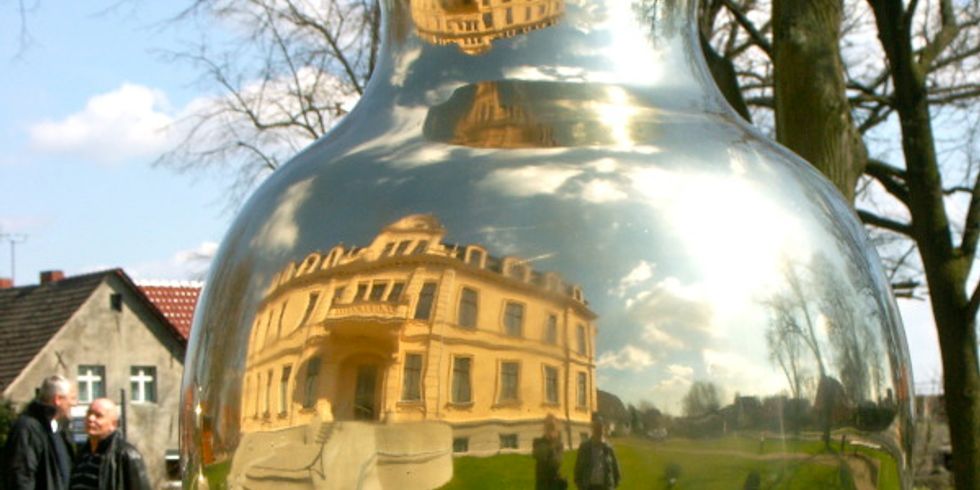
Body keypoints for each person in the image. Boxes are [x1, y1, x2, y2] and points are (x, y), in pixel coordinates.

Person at [0, 375, 77, 490]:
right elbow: (21, 475)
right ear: (58, 400)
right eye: (72, 398)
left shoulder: (59, 430)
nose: (74, 403)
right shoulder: (28, 428)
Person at [68, 398, 150, 490]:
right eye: (89, 413)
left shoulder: (126, 454)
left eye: (98, 416)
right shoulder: (81, 454)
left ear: (113, 424)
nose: (91, 419)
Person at [573, 418, 620, 490]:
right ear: (593, 431)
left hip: (605, 487)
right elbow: (578, 468)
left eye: (601, 430)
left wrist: (612, 486)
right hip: (589, 487)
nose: (599, 433)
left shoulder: (609, 448)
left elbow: (616, 469)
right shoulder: (584, 447)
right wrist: (580, 485)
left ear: (603, 431)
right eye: (597, 430)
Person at [532, 414, 566, 489]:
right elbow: (540, 455)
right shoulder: (537, 442)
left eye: (552, 427)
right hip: (542, 484)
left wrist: (553, 442)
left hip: (555, 484)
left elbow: (556, 463)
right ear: (544, 428)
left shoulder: (559, 444)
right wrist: (549, 441)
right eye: (548, 427)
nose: (550, 430)